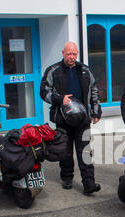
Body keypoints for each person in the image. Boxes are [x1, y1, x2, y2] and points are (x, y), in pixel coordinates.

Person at [40, 41, 102, 194]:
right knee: (65, 151)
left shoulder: (85, 70)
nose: (72, 57)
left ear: (77, 54)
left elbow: (94, 91)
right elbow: (44, 91)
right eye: (69, 54)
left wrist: (96, 112)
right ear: (63, 53)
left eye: (74, 54)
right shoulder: (53, 70)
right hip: (63, 119)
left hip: (83, 119)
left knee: (85, 151)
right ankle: (67, 178)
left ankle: (89, 183)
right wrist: (59, 98)